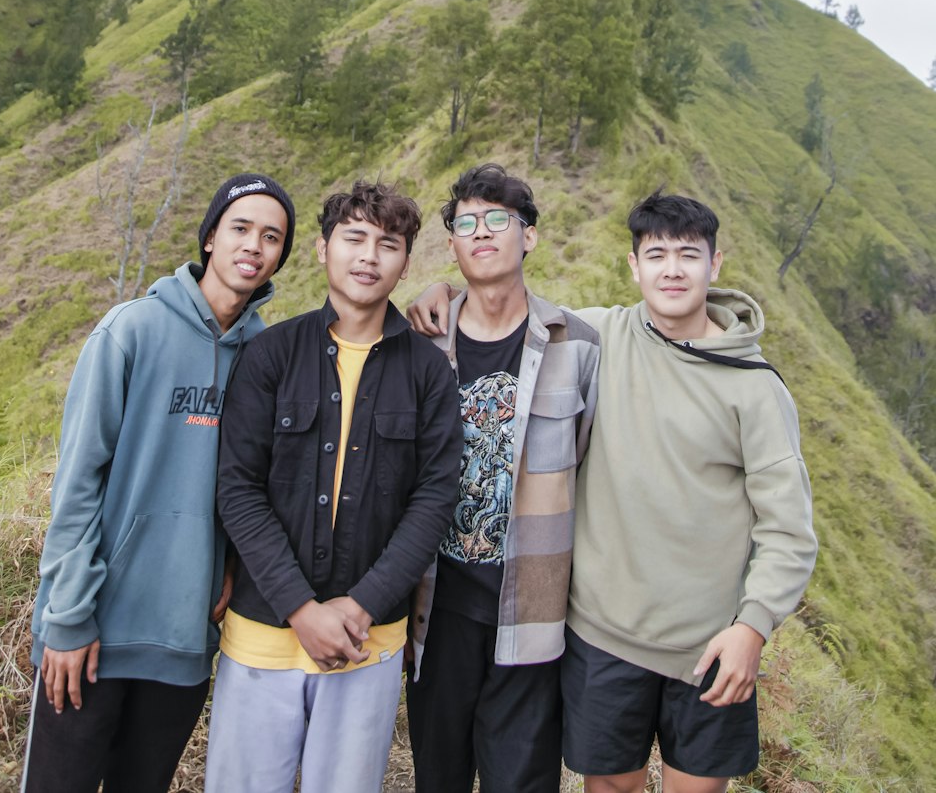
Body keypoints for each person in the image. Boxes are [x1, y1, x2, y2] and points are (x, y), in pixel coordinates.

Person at [409, 188, 818, 793]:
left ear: (716, 263)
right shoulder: (601, 337)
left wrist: (752, 627)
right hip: (603, 635)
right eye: (656, 255)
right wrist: (439, 293)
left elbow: (788, 528)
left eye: (688, 255)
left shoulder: (754, 388)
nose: (672, 270)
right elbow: (509, 307)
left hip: (705, 643)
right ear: (633, 266)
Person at [22, 172, 296, 793]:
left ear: (280, 255)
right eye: (241, 228)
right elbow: (78, 482)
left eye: (272, 236)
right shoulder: (132, 330)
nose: (254, 245)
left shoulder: (266, 358)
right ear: (209, 237)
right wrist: (66, 618)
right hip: (92, 632)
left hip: (182, 641)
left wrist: (226, 564)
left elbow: (249, 487)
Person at [205, 181, 463, 793]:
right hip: (262, 634)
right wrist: (301, 609)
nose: (369, 256)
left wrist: (361, 604)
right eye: (354, 239)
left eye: (388, 244)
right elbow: (239, 489)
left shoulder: (428, 373)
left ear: (405, 262)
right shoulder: (271, 354)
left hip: (367, 641)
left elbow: (434, 500)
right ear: (323, 250)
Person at [405, 163, 600, 793]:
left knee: (521, 780)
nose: (482, 232)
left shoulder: (579, 346)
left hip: (533, 611)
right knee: (439, 775)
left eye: (498, 219)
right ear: (453, 244)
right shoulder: (421, 345)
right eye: (466, 222)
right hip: (437, 610)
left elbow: (591, 469)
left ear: (529, 236)